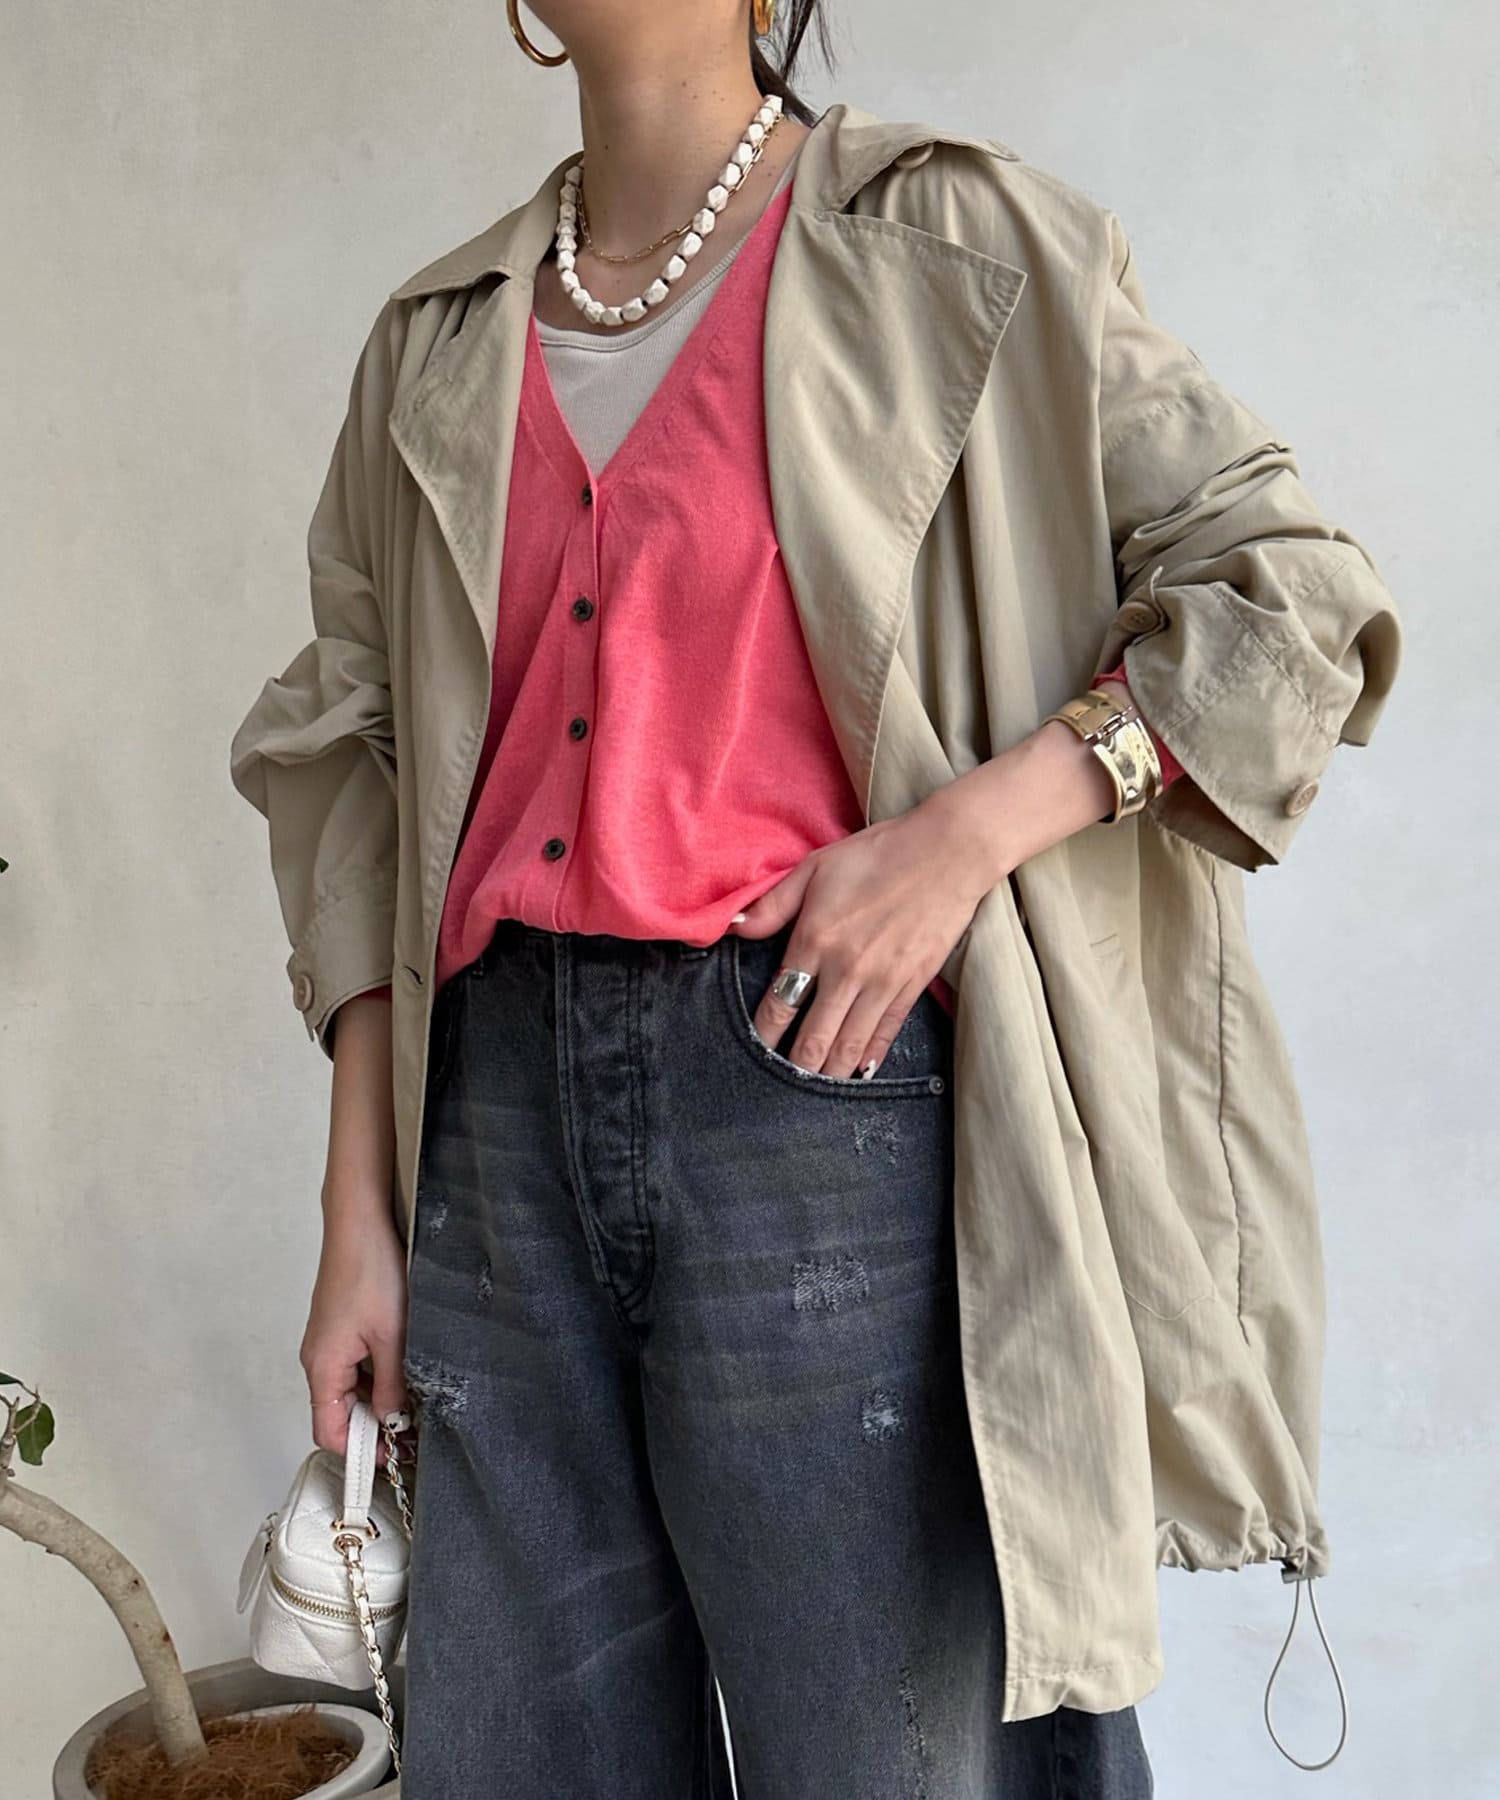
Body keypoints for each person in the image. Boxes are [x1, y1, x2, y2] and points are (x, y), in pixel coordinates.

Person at [228, 1, 1402, 1793]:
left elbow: (1287, 593)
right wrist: (357, 1214)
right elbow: (353, 762)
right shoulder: (436, 340)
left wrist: (966, 835)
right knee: (528, 1759)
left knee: (897, 1754)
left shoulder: (958, 241)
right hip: (490, 1137)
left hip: (816, 1091)